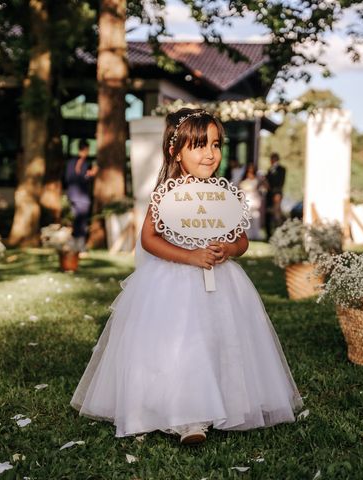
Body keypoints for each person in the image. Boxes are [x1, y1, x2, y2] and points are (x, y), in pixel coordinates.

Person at [71, 108, 303, 445]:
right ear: (175, 151)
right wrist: (189, 256)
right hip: (173, 281)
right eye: (198, 145)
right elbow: (149, 240)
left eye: (215, 144)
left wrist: (229, 250)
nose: (210, 153)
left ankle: (228, 403)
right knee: (183, 344)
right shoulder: (167, 194)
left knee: (221, 341)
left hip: (221, 283)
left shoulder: (225, 196)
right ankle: (188, 418)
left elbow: (242, 240)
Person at [64, 139, 97, 252]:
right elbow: (75, 178)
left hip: (73, 195)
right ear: (85, 150)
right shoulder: (81, 164)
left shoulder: (71, 163)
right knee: (80, 221)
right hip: (80, 196)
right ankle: (79, 247)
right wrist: (88, 175)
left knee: (78, 221)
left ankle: (76, 246)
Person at [238, 162, 264, 240]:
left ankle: (255, 234)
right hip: (245, 199)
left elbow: (259, 188)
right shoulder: (243, 178)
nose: (250, 170)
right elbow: (240, 188)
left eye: (252, 168)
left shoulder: (257, 179)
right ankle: (247, 234)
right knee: (246, 217)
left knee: (255, 217)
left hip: (253, 199)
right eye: (249, 168)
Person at [265, 152, 286, 239]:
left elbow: (280, 183)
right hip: (269, 195)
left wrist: (277, 194)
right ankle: (270, 234)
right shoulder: (269, 170)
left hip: (276, 194)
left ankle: (280, 232)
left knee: (277, 214)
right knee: (269, 214)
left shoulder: (282, 169)